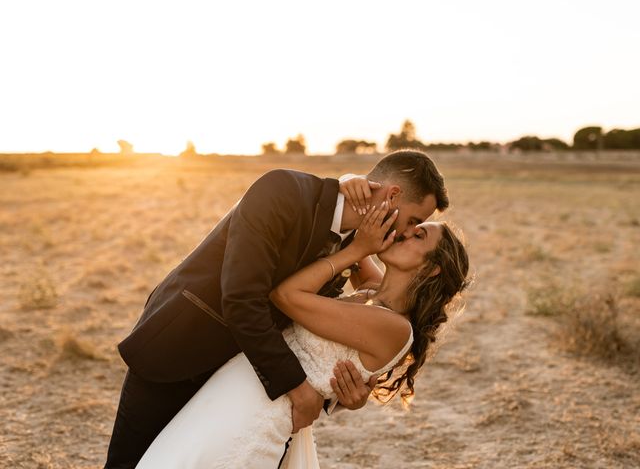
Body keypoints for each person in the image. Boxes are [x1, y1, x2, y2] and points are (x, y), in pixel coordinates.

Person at [105, 150, 449, 468]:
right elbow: (242, 299)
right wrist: (299, 390)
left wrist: (344, 395)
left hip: (244, 383)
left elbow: (326, 334)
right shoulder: (282, 191)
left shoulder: (357, 243)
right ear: (390, 196)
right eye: (413, 220)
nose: (406, 233)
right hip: (180, 350)